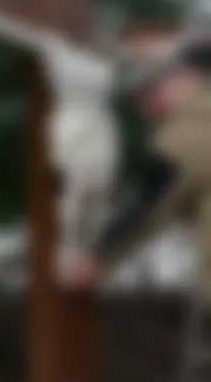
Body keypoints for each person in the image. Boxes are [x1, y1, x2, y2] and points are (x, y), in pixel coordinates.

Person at [60, 37, 211, 292]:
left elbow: (146, 208)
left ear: (186, 76)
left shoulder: (184, 137)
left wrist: (95, 259)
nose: (145, 107)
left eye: (149, 91)